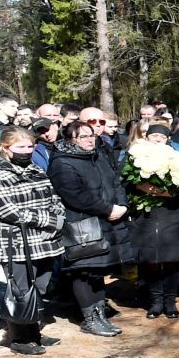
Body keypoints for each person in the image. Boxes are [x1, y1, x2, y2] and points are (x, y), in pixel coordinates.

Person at [47, 121, 133, 337]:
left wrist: (122, 205)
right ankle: (89, 318)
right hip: (82, 225)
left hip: (106, 221)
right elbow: (74, 195)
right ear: (69, 139)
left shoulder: (96, 155)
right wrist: (107, 208)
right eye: (82, 137)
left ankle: (99, 314)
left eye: (91, 135)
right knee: (83, 272)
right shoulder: (62, 162)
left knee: (96, 272)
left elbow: (115, 182)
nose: (88, 140)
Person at [0, 127, 66, 355]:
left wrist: (57, 217)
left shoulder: (36, 168)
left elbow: (54, 196)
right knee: (20, 288)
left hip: (45, 239)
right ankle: (19, 338)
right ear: (6, 148)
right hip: (17, 241)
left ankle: (33, 331)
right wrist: (47, 220)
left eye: (30, 146)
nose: (27, 151)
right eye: (20, 147)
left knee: (40, 285)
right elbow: (7, 210)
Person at [126, 125, 179, 319]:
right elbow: (126, 183)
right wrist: (147, 189)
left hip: (172, 215)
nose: (157, 139)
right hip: (146, 218)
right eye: (153, 135)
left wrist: (167, 192)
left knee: (172, 261)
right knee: (151, 262)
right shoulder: (134, 158)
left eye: (161, 136)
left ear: (167, 139)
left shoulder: (178, 158)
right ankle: (155, 301)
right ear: (146, 137)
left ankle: (170, 301)